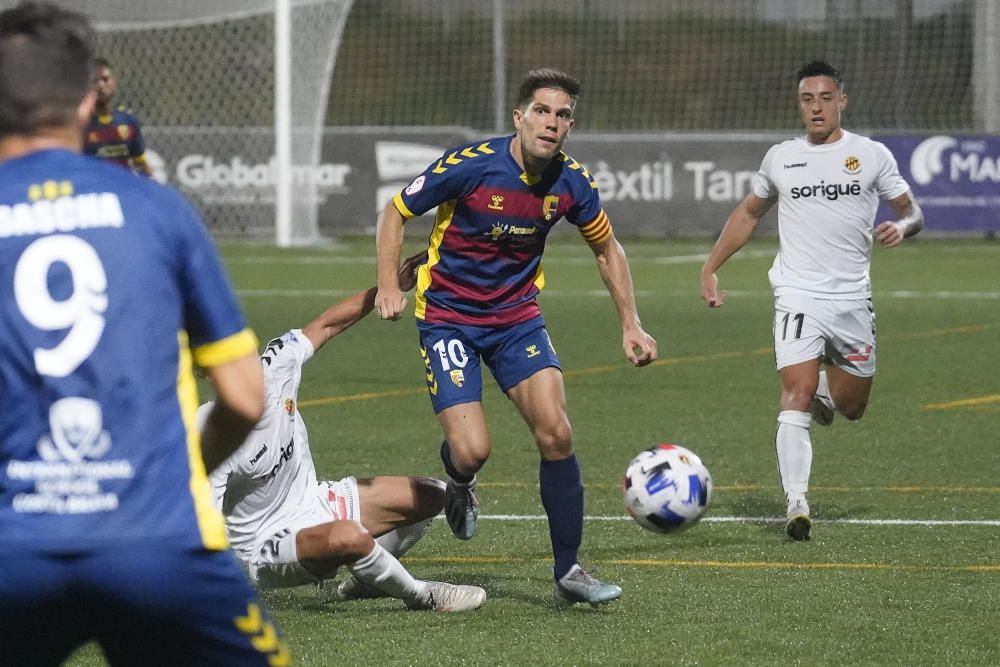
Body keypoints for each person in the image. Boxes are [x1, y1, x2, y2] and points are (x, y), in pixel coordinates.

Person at [0, 3, 287, 664]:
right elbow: (246, 396)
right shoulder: (155, 208)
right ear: (84, 103)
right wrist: (169, 477)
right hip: (158, 547)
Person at [374, 68, 658, 607]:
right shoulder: (471, 165)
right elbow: (396, 211)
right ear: (520, 117)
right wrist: (389, 285)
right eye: (543, 112)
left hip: (516, 320)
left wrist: (631, 322)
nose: (551, 123)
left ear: (570, 126)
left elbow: (607, 248)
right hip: (448, 317)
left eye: (563, 115)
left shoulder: (572, 182)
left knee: (556, 433)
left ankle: (569, 569)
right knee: (472, 450)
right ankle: (459, 479)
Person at [700, 60, 924, 541]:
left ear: (841, 101)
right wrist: (711, 265)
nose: (817, 107)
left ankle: (827, 388)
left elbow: (912, 211)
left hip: (852, 301)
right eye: (808, 99)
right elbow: (749, 212)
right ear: (799, 104)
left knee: (852, 408)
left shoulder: (870, 155)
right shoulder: (781, 157)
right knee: (794, 396)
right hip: (797, 294)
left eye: (826, 98)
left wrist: (901, 226)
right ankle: (796, 504)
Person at [200, 251, 487, 613]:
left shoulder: (276, 365)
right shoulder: (208, 431)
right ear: (210, 374)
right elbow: (199, 525)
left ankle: (367, 581)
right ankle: (422, 596)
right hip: (265, 548)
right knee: (350, 536)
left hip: (313, 502)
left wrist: (388, 286)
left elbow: (326, 324)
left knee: (433, 496)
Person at [82, 56, 152, 176]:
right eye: (95, 80)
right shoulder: (79, 124)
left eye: (105, 79)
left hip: (123, 189)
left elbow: (141, 164)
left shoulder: (128, 121)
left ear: (114, 82)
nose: (100, 85)